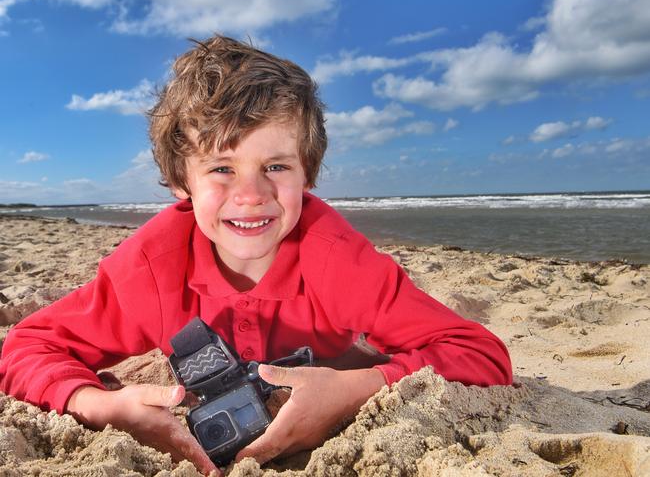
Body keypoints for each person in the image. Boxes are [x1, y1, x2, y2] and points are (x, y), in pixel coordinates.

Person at [0, 35, 512, 475]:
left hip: (329, 363)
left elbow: (482, 354)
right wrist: (102, 406)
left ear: (307, 174)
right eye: (221, 168)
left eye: (275, 166)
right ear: (183, 181)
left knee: (361, 357)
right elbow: (25, 346)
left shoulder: (339, 261)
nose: (251, 194)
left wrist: (358, 388)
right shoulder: (152, 269)